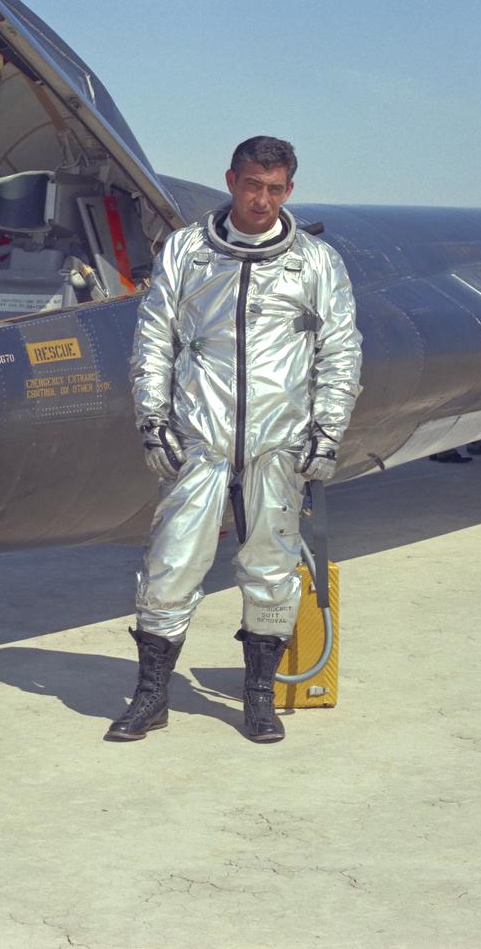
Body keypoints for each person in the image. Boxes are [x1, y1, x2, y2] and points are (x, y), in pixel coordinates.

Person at [108, 136, 362, 743]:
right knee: (170, 567)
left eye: (275, 189)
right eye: (252, 185)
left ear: (289, 191)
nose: (262, 199)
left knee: (271, 571)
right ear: (231, 180)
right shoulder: (189, 252)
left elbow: (340, 351)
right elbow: (153, 341)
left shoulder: (315, 262)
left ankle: (257, 698)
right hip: (200, 437)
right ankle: (151, 698)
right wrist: (152, 420)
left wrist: (326, 433)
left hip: (279, 442)